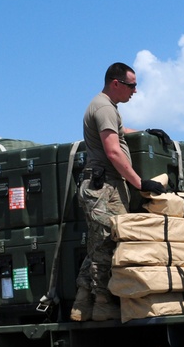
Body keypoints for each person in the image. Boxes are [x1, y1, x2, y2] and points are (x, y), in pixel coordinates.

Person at [71, 62, 166, 322]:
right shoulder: (103, 107)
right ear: (116, 83)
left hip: (106, 187)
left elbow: (118, 133)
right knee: (108, 245)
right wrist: (140, 183)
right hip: (105, 188)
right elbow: (113, 150)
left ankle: (82, 302)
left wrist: (147, 133)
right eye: (131, 85)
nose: (135, 91)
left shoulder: (106, 108)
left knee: (96, 245)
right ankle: (103, 305)